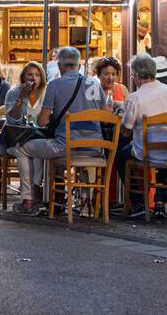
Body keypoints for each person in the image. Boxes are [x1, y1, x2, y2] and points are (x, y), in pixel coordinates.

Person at [10, 46, 109, 215]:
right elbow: (107, 115)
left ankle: (28, 200)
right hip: (95, 149)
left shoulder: (55, 85)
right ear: (79, 65)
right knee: (78, 160)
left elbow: (41, 122)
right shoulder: (94, 83)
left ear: (60, 66)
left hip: (66, 147)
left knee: (20, 147)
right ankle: (86, 202)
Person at [117, 53, 167, 219]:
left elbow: (126, 130)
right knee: (162, 149)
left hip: (147, 154)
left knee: (120, 156)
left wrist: (121, 116)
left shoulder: (135, 97)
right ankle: (160, 203)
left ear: (138, 75)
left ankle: (138, 201)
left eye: (132, 75)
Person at [4, 60, 48, 125]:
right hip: (17, 133)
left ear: (41, 78)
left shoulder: (47, 93)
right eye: (30, 74)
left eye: (38, 75)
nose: (34, 78)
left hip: (39, 133)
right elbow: (12, 121)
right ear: (23, 77)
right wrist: (21, 95)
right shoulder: (13, 93)